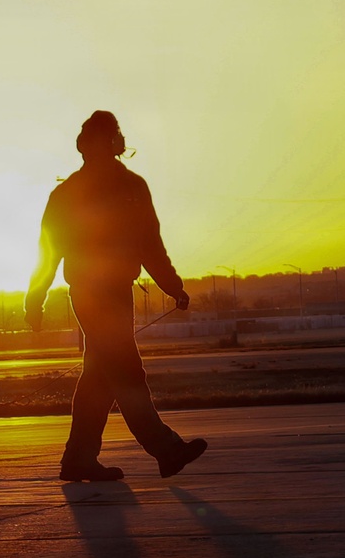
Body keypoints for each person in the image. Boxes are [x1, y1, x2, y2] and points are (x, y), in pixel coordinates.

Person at [25, 111, 208, 483]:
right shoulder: (77, 192)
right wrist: (35, 299)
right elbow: (49, 251)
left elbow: (149, 242)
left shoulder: (126, 187)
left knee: (99, 378)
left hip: (116, 293)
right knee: (126, 371)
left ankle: (78, 460)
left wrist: (172, 285)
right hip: (92, 295)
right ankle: (166, 449)